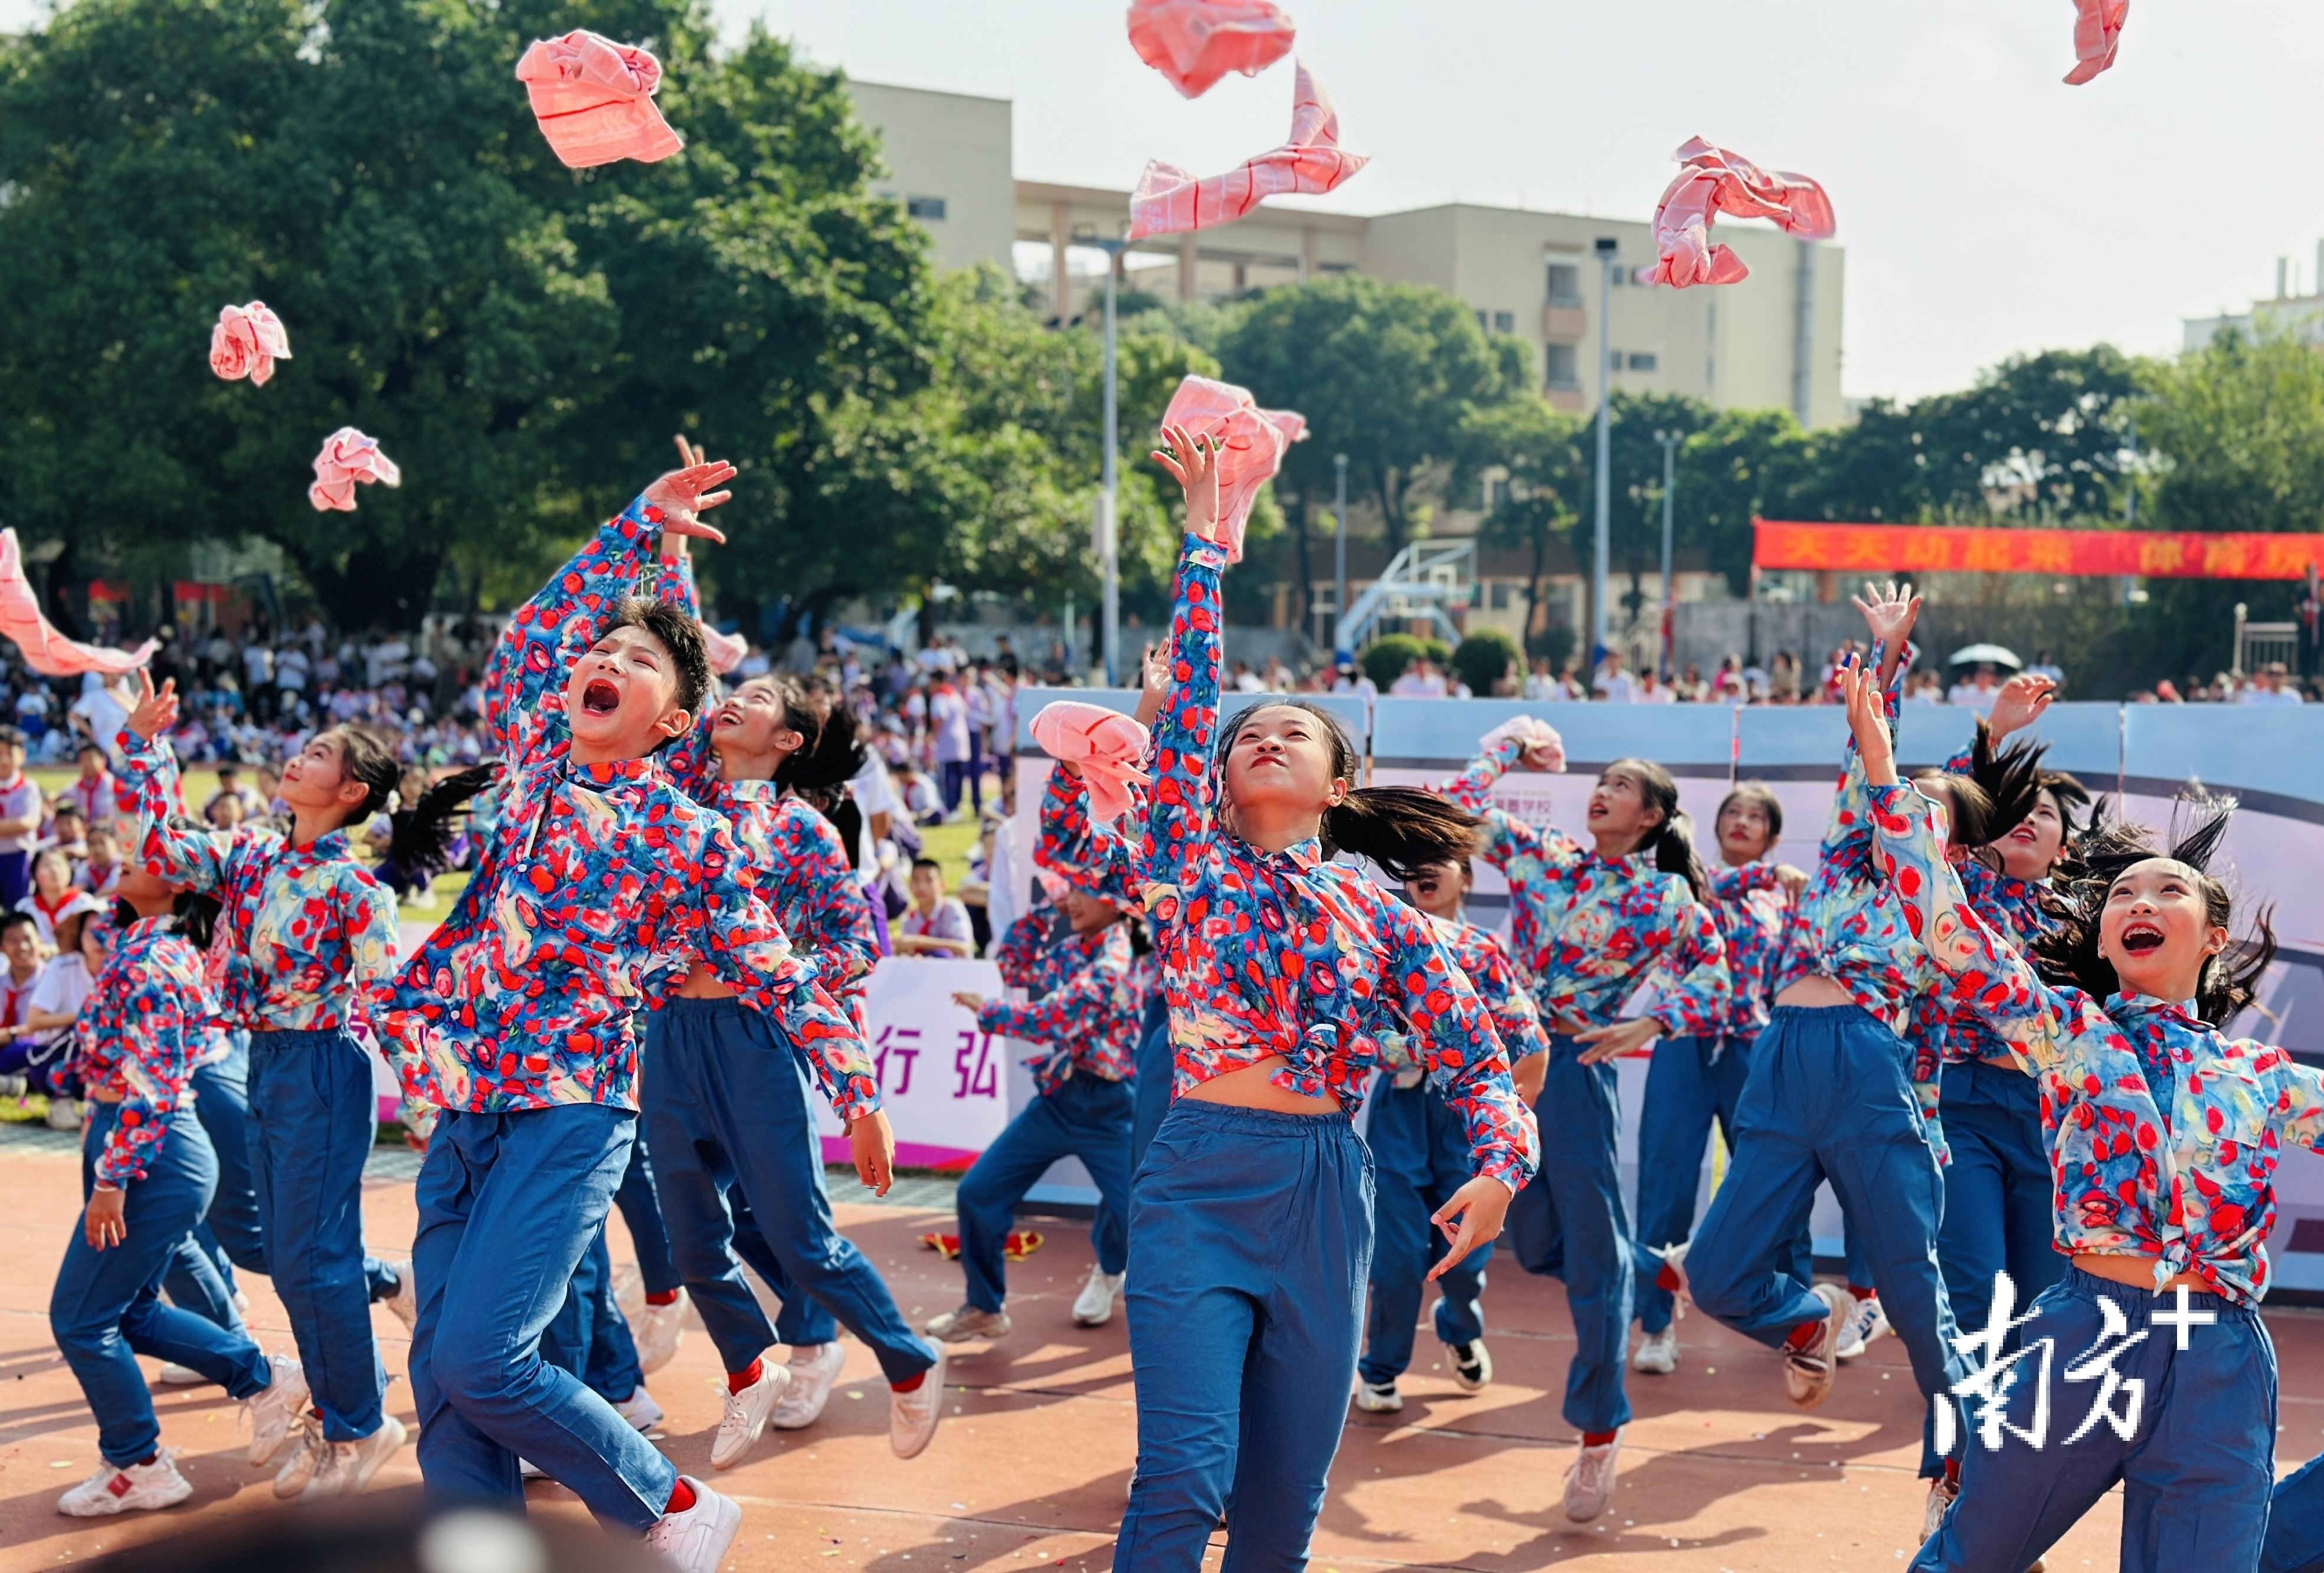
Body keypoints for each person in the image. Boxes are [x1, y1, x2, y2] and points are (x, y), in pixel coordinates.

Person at [368, 456, 893, 1571]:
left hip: (572, 1116)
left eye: (638, 659)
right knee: (442, 1381)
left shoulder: (690, 836)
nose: (602, 660)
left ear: (677, 722)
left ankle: (669, 1505)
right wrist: (634, 530)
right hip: (472, 1110)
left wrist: (855, 1093)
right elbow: (525, 637)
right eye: (600, 652)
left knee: (483, 1358)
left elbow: (779, 969)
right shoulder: (528, 777)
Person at [1111, 427, 1536, 1571]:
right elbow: (1193, 699)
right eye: (1245, 734)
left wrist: (1500, 1166)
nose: (1261, 737)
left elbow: (1473, 1051)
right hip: (1196, 1172)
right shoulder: (1186, 867)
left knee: (1279, 1509)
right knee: (1183, 1473)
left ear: (1335, 786)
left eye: (1289, 731)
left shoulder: (1382, 911)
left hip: (1322, 1193)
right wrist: (1204, 546)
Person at [1850, 673, 2324, 1573]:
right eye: (2121, 897)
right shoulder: (2066, 1031)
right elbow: (1945, 926)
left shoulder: (2265, 1076)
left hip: (2221, 1361)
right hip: (2088, 1338)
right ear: (2103, 940)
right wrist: (1881, 767)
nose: (2139, 903)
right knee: (1969, 1558)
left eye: (2167, 891)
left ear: (2212, 935)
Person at [644, 507, 941, 1462]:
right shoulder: (682, 786)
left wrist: (786, 995)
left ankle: (901, 1356)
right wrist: (671, 557)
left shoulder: (805, 831)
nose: (736, 701)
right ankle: (759, 1365)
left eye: (760, 698)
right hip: (666, 1037)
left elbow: (854, 943)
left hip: (754, 1038)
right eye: (735, 693)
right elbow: (682, 675)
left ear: (790, 738)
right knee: (694, 1239)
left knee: (797, 1235)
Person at [1682, 583, 1973, 1539]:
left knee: (1908, 1279)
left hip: (1867, 1068)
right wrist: (1886, 658)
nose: (1900, 806)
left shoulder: (1938, 897)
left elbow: (1888, 781)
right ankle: (1806, 1322)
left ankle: (1960, 1469)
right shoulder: (1849, 855)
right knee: (1717, 1273)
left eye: (1926, 807)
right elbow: (1866, 758)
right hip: (1781, 1058)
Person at [119, 667, 414, 1502]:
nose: (297, 756)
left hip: (321, 1065)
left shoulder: (356, 889)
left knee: (315, 1263)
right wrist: (147, 746)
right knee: (291, 1264)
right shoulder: (252, 854)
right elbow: (162, 850)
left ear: (350, 789)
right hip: (263, 1062)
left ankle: (361, 1425)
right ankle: (338, 1413)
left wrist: (425, 1103)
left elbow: (388, 1000)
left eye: (318, 753)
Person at [1430, 715, 1731, 1520]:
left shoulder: (1665, 896)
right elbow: (1454, 810)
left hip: (1573, 1071)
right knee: (1533, 1243)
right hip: (1501, 1069)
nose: (1603, 791)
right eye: (1602, 780)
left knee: (1594, 1269)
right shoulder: (1544, 857)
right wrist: (1510, 737)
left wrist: (1652, 1020)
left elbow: (1716, 978)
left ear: (1652, 819)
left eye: (1623, 786)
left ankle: (1598, 1434)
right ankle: (1657, 1268)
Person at [47, 849, 309, 1517]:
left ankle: (137, 1462)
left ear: (177, 886)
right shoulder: (138, 943)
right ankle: (262, 1376)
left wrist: (112, 1175)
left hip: (152, 1154)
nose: (127, 858)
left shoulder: (154, 960)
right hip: (138, 1143)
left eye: (146, 858)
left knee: (80, 1318)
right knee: (125, 1308)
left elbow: (155, 1084)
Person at [1906, 674, 2089, 1511]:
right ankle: (1954, 1478)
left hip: (2055, 1124)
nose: (2029, 817)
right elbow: (1926, 814)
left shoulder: (2092, 921)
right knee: (1975, 1291)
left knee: (2045, 1312)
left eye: (2046, 813)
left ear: (2064, 844)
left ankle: (2010, 1492)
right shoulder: (1965, 888)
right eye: (2014, 806)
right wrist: (1991, 733)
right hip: (1966, 1107)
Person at [1353, 856, 1551, 1413]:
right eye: (1415, 856)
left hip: (1464, 1120)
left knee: (1466, 1258)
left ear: (1466, 877)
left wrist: (1506, 1121)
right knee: (1395, 1259)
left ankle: (1460, 1327)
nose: (1425, 867)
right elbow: (1363, 1032)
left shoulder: (1482, 949)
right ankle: (1382, 1366)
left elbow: (1528, 1036)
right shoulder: (1380, 937)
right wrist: (1419, 1050)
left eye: (1440, 855)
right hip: (1400, 1116)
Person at [1629, 784, 1805, 1377]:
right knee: (1665, 1184)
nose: (1741, 820)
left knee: (1774, 1182)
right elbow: (1689, 894)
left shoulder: (1786, 899)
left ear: (1771, 835)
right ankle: (1655, 1325)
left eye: (1756, 815)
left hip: (1752, 1053)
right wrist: (1761, 876)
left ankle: (1798, 1319)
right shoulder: (1685, 885)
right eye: (1732, 811)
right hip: (1681, 1044)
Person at [933, 883, 1148, 1341]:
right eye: (1068, 890)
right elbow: (1012, 964)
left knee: (1141, 1220)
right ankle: (985, 1308)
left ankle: (1114, 1275)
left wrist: (989, 1012)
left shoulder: (1119, 957)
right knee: (978, 1193)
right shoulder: (1071, 948)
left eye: (1083, 892)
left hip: (1114, 1109)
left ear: (1116, 903)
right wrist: (1040, 913)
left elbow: (1053, 1017)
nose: (1071, 899)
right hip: (1060, 1099)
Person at [895, 857, 974, 957]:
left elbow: (963, 948)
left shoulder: (953, 909)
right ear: (910, 886)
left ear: (942, 885)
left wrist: (919, 941)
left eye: (929, 880)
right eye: (916, 880)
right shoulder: (910, 918)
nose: (921, 887)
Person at [0, 725, 41, 909]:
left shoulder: (28, 787)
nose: (4, 760)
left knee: (16, 907)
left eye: (10, 753)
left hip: (18, 857)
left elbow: (28, 822)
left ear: (22, 755)